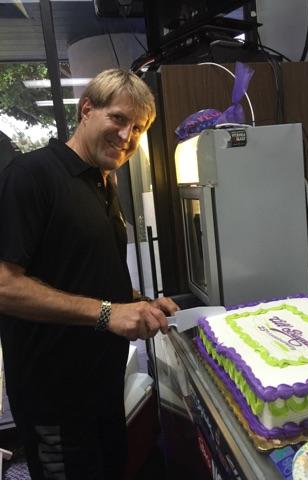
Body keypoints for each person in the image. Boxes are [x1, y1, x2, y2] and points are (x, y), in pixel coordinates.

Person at [0, 68, 179, 480]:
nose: (126, 135)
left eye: (138, 128)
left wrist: (136, 303)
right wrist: (107, 312)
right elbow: (6, 285)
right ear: (87, 110)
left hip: (100, 386)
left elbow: (82, 271)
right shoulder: (31, 176)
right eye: (118, 118)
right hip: (54, 395)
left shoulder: (101, 183)